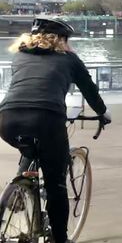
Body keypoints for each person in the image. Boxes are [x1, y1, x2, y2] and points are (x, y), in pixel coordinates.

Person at [0, 17, 110, 243]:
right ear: (61, 40)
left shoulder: (20, 56)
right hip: (47, 120)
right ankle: (60, 238)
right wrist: (102, 113)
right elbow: (89, 90)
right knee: (55, 184)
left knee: (30, 146)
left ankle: (20, 187)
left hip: (6, 119)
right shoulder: (70, 59)